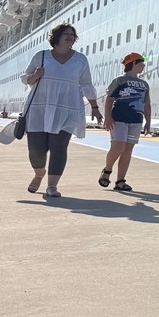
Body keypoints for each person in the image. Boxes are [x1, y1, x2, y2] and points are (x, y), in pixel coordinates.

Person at [21, 23, 102, 198]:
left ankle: (52, 186)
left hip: (68, 108)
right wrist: (35, 76)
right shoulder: (41, 56)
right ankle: (38, 173)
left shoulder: (80, 59)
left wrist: (95, 107)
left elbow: (86, 84)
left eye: (73, 34)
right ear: (56, 36)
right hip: (40, 109)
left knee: (59, 147)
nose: (71, 37)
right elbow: (26, 79)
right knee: (36, 149)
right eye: (67, 34)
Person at [99, 53, 152, 192]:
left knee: (128, 149)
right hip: (119, 119)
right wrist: (108, 117)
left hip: (136, 121)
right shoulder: (120, 81)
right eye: (141, 63)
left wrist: (148, 122)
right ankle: (107, 170)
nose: (144, 66)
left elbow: (147, 104)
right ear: (134, 64)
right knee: (118, 146)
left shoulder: (144, 84)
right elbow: (110, 99)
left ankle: (120, 181)